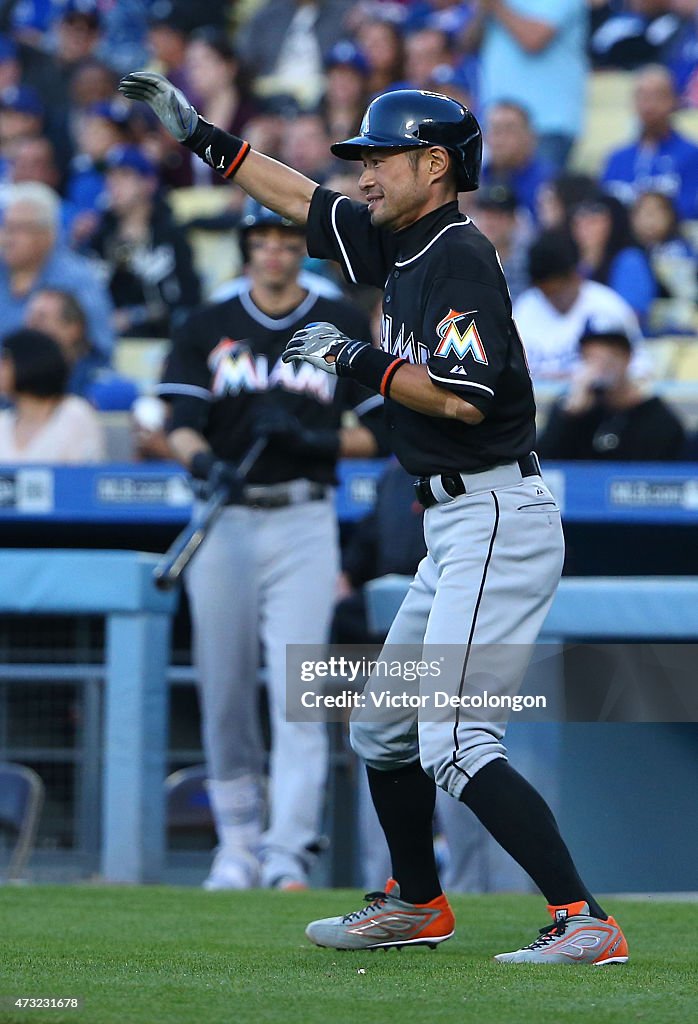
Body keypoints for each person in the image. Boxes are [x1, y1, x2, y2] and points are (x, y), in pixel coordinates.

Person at [120, 70, 629, 963]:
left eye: (380, 157)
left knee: (459, 739)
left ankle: (586, 919)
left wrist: (356, 359)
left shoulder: (459, 253)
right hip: (456, 521)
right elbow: (303, 200)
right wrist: (204, 135)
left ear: (435, 165)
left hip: (496, 511)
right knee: (383, 728)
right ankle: (418, 903)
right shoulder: (404, 239)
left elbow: (463, 402)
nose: (363, 172)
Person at [157, 199, 386, 892]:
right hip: (225, 513)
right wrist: (202, 464)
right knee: (223, 689)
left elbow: (380, 432)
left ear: (301, 249)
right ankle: (238, 845)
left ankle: (288, 851)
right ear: (247, 248)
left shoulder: (336, 320)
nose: (275, 251)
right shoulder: (210, 324)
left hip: (302, 517)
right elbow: (181, 421)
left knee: (299, 690)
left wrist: (317, 439)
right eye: (263, 239)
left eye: (287, 239)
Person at [86, 144, 201, 338]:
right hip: (107, 341)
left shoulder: (171, 236)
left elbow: (188, 299)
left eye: (124, 175)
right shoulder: (100, 236)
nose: (113, 184)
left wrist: (135, 316)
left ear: (149, 183)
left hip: (161, 341)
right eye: (110, 176)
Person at [462, 0, 589, 172]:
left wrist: (495, 5)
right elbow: (467, 44)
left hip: (547, 122)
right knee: (494, 195)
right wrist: (481, 11)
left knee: (540, 193)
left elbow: (533, 39)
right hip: (496, 119)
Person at [538, 316, 686, 460]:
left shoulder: (657, 418)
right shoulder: (573, 409)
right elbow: (547, 464)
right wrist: (571, 414)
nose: (600, 367)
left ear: (628, 357)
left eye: (609, 357)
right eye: (591, 357)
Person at [0, 182, 114, 357]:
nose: (8, 238)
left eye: (19, 228)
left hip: (54, 380)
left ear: (48, 234)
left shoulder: (78, 280)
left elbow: (100, 349)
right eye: (6, 227)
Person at [514, 230, 642, 381]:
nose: (553, 299)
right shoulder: (524, 308)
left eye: (558, 291)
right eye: (546, 293)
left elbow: (640, 370)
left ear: (576, 276)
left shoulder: (608, 307)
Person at [601, 63, 698, 220]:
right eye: (642, 97)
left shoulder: (691, 155)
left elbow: (690, 210)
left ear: (673, 101)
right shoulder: (616, 159)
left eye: (657, 96)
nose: (648, 106)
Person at [0, 326, 105, 462]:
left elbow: (84, 476)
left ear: (28, 362)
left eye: (4, 361)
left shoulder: (75, 414)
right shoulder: (4, 422)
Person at [569, 193, 658, 328]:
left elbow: (631, 316)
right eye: (579, 220)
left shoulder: (630, 260)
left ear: (614, 223)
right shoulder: (574, 262)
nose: (583, 226)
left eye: (593, 221)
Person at [477, 101, 553, 221]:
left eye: (509, 130)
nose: (500, 139)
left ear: (530, 137)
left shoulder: (548, 183)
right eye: (495, 130)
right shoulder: (475, 179)